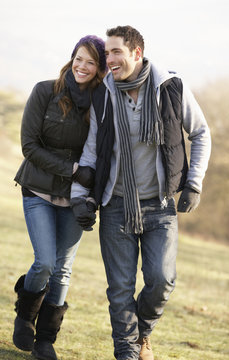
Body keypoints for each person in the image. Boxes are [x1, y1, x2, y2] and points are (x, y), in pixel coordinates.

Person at [71, 25, 211, 360]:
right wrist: (80, 195)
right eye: (107, 53)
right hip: (116, 206)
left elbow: (201, 132)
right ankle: (128, 352)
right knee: (120, 291)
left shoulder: (170, 87)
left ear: (136, 53)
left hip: (160, 206)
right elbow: (92, 151)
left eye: (116, 52)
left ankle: (142, 334)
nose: (110, 59)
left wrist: (194, 182)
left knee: (162, 280)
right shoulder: (104, 93)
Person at [13, 35, 106, 360]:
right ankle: (25, 315)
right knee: (46, 262)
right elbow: (29, 146)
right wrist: (72, 168)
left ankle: (45, 340)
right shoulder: (44, 91)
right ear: (72, 58)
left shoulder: (101, 104)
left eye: (91, 62)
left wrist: (90, 195)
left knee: (63, 269)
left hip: (74, 196)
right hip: (37, 187)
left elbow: (101, 154)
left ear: (99, 69)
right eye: (79, 58)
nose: (82, 66)